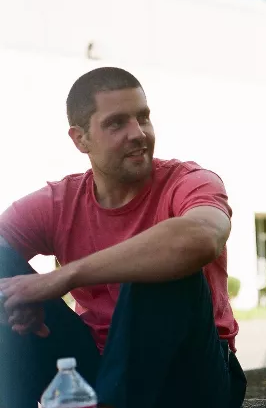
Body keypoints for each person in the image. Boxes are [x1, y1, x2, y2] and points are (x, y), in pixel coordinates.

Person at [0, 67, 247, 408]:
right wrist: (11, 305)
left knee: (163, 266)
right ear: (80, 138)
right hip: (96, 366)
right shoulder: (59, 203)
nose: (139, 134)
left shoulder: (189, 181)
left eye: (143, 117)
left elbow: (202, 236)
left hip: (192, 372)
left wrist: (63, 277)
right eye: (117, 123)